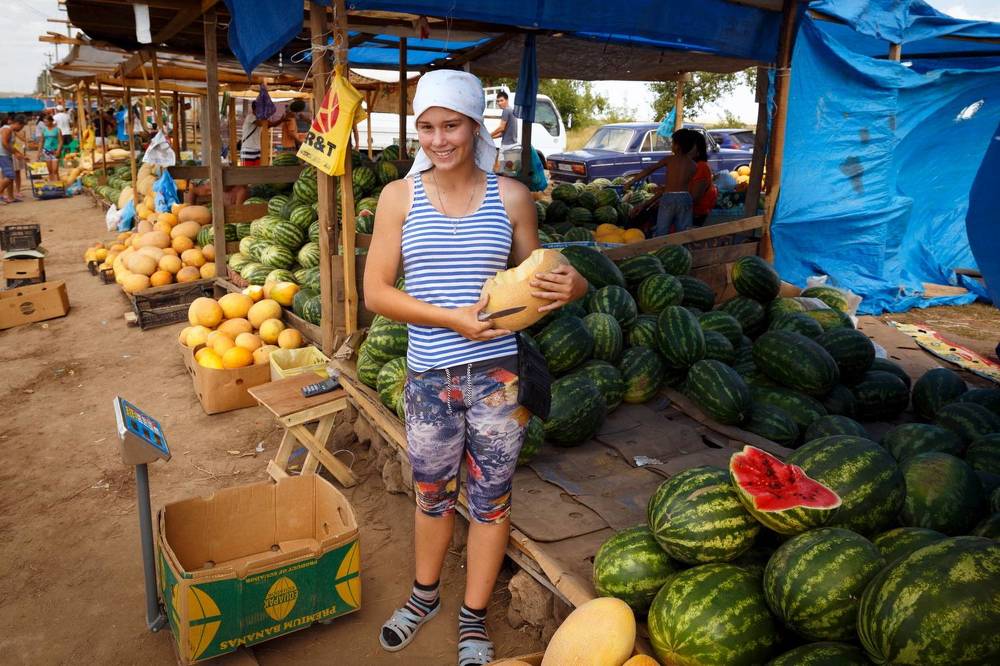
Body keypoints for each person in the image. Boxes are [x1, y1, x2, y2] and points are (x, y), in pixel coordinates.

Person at [364, 69, 587, 666]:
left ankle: (472, 618)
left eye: (452, 126)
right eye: (427, 127)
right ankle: (424, 596)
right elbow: (376, 293)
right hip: (429, 380)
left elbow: (540, 277)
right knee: (432, 497)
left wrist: (575, 284)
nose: (439, 140)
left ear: (475, 127)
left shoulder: (511, 197)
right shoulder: (399, 198)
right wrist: (450, 319)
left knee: (492, 503)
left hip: (499, 381)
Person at [626, 128, 697, 236]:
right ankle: (682, 246)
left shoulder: (669, 159)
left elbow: (650, 169)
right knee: (684, 232)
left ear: (677, 146)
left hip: (668, 198)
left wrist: (632, 181)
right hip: (685, 198)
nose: (671, 146)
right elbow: (682, 183)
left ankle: (660, 246)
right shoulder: (693, 165)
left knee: (661, 231)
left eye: (672, 143)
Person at [240, 101, 284, 166]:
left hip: (257, 149)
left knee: (257, 170)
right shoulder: (250, 117)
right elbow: (260, 123)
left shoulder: (261, 119)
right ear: (256, 108)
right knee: (247, 170)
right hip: (248, 148)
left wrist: (281, 120)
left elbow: (272, 124)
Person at [689, 131, 718, 227]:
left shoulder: (701, 167)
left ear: (697, 149)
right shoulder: (690, 166)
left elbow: (695, 197)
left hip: (696, 214)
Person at [0, 114, 27, 203]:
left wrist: (20, 154)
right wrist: (15, 153)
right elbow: (4, 143)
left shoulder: (10, 130)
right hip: (2, 155)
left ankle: (11, 197)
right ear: (18, 123)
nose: (21, 129)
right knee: (10, 176)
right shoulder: (7, 129)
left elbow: (10, 145)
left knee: (9, 177)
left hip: (5, 155)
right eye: (22, 126)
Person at [37, 115, 63, 182]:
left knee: (55, 170)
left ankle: (57, 184)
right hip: (46, 151)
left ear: (51, 121)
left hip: (55, 151)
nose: (45, 123)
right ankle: (52, 184)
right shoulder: (44, 130)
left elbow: (60, 141)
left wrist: (58, 150)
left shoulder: (57, 130)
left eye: (46, 122)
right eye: (44, 122)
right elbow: (41, 141)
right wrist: (39, 152)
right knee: (50, 170)